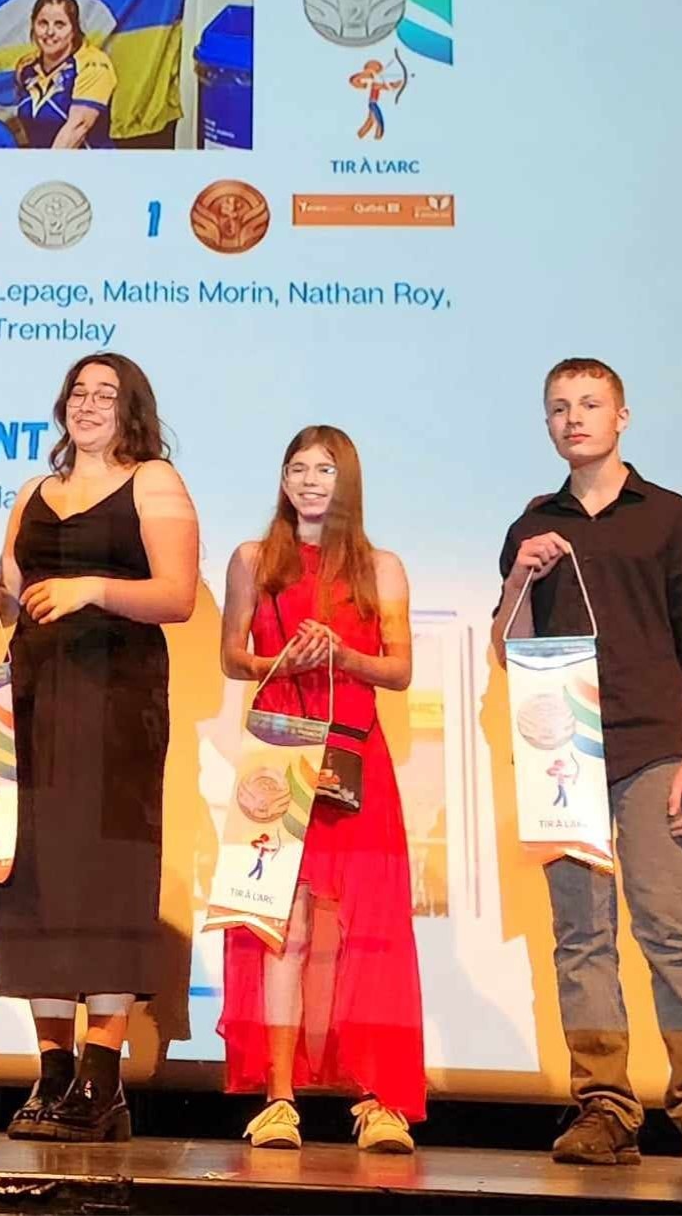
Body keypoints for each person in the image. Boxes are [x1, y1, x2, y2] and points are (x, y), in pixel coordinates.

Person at [0, 354, 198, 1142]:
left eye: (105, 394)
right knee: (36, 878)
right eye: (78, 393)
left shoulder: (154, 482)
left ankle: (102, 1076)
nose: (88, 405)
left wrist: (92, 587)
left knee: (108, 873)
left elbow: (178, 596)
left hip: (117, 701)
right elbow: (14, 599)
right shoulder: (32, 492)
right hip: (34, 700)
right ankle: (53, 1074)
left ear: (132, 410)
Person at [490, 358, 682, 1169]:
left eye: (589, 404)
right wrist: (520, 574)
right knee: (580, 935)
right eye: (558, 407)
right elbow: (505, 647)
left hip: (655, 749)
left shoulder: (675, 518)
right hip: (564, 762)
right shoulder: (532, 525)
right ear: (547, 424)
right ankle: (605, 1108)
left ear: (622, 417)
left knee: (667, 926)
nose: (573, 417)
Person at [218, 426, 424, 1154]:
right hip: (277, 761)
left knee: (367, 931)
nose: (309, 481)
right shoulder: (254, 559)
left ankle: (379, 1099)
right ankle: (278, 1098)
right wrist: (283, 656)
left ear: (349, 481)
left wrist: (344, 653)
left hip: (355, 758)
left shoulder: (381, 568)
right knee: (285, 928)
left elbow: (398, 670)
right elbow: (233, 656)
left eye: (325, 469)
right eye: (298, 468)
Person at [0, 0, 116, 150]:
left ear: (74, 29)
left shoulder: (94, 64)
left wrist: (50, 168)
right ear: (33, 25)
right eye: (43, 23)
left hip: (90, 166)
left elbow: (78, 128)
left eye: (60, 24)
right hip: (43, 165)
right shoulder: (26, 67)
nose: (50, 32)